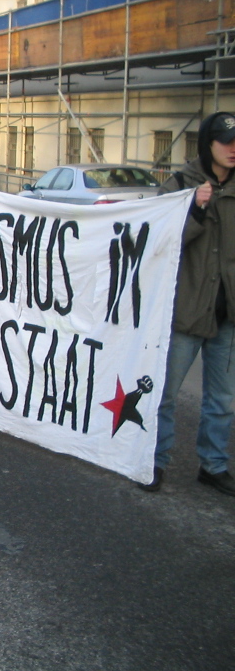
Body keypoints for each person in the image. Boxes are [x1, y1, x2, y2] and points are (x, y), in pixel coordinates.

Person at [141, 112, 235, 496]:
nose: (233, 149)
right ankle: (155, 460)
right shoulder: (180, 186)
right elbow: (157, 241)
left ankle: (213, 465)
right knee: (165, 393)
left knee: (223, 399)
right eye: (226, 142)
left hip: (227, 314)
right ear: (207, 144)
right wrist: (193, 210)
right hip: (184, 312)